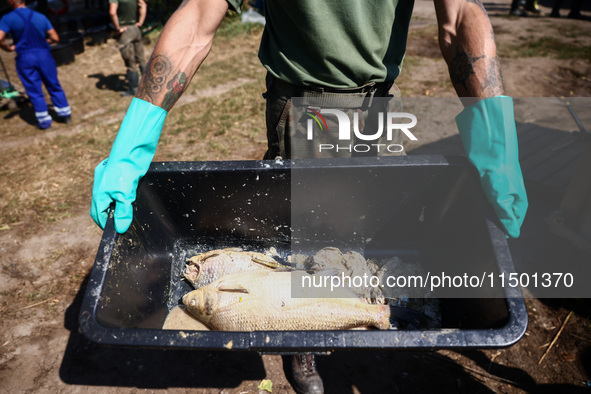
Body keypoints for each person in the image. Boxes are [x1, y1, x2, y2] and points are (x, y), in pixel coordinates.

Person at [90, 1, 528, 393]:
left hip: (376, 107)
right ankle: (303, 340)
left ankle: (353, 309)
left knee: (361, 228)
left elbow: (459, 16)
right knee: (303, 234)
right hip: (302, 108)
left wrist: (495, 135)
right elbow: (202, 14)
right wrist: (135, 136)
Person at [0, 0, 71, 129]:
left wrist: (8, 48)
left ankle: (44, 121)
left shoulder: (7, 18)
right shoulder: (40, 16)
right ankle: (65, 115)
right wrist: (44, 42)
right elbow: (55, 38)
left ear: (11, 2)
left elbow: (0, 38)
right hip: (44, 55)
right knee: (53, 84)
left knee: (34, 89)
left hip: (25, 57)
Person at [108, 0, 147, 96]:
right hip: (135, 29)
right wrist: (140, 22)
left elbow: (112, 12)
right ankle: (149, 84)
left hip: (125, 31)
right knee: (141, 59)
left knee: (130, 62)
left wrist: (117, 28)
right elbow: (143, 5)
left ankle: (134, 88)